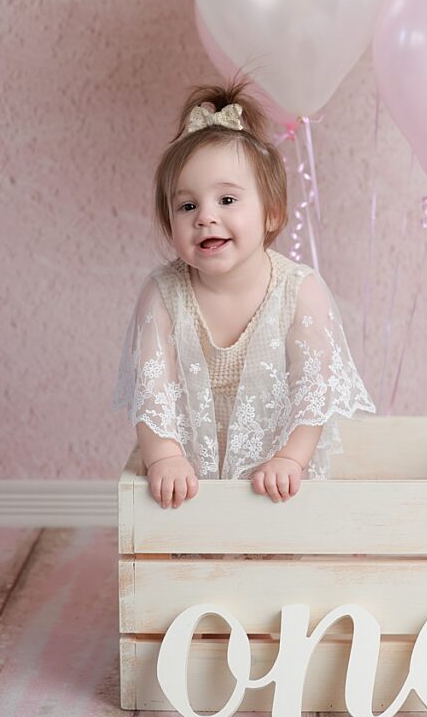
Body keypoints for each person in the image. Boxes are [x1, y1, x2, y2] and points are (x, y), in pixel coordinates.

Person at [114, 81, 374, 509]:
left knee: (275, 555)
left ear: (271, 212)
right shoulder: (164, 294)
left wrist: (291, 457)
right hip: (187, 488)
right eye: (187, 206)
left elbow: (314, 390)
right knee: (183, 550)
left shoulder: (299, 291)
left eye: (228, 199)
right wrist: (164, 458)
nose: (206, 217)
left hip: (277, 485)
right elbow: (152, 389)